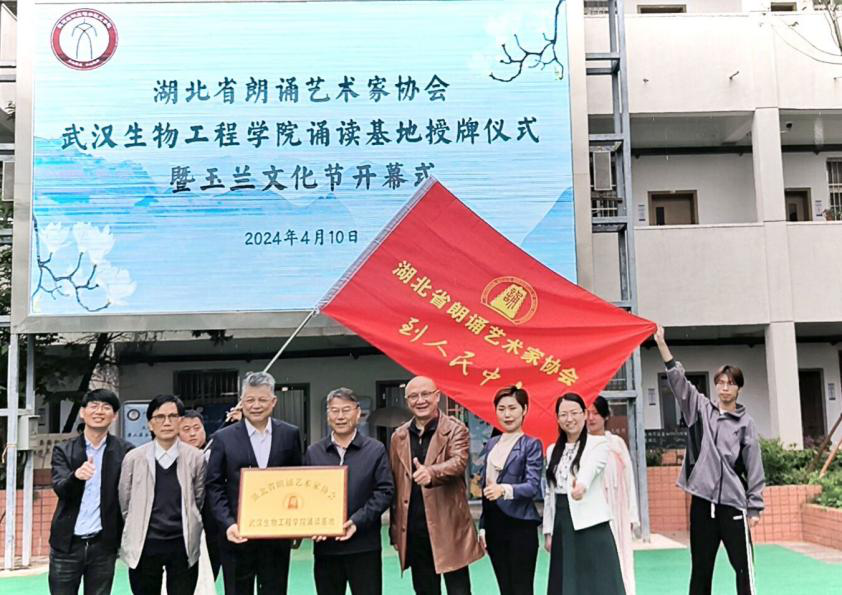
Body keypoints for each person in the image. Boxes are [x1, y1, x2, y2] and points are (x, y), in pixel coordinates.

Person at [653, 326, 765, 595]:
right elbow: (679, 382)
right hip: (702, 504)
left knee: (744, 569)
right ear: (715, 385)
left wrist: (754, 507)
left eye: (731, 383)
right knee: (701, 570)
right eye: (721, 382)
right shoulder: (700, 409)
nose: (725, 388)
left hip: (733, 505)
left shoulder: (745, 424)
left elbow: (754, 467)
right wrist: (661, 344)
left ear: (739, 389)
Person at [205, 371, 303, 595]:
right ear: (241, 402)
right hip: (237, 534)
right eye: (250, 400)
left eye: (262, 399)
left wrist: (296, 524)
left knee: (275, 589)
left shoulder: (289, 434)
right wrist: (228, 524)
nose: (256, 405)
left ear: (273, 401)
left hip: (276, 535)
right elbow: (214, 485)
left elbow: (297, 480)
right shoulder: (223, 438)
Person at [389, 376, 484, 595]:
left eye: (425, 394)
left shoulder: (455, 429)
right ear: (407, 401)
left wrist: (431, 473)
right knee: (424, 589)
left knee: (459, 590)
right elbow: (396, 484)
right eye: (413, 396)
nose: (420, 400)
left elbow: (458, 462)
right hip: (415, 529)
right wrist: (395, 531)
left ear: (437, 396)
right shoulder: (399, 436)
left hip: (449, 526)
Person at [304, 387, 394, 595]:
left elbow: (385, 491)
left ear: (358, 412)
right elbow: (308, 495)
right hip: (326, 548)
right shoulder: (314, 452)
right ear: (327, 415)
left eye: (346, 410)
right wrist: (312, 523)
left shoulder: (375, 449)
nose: (340, 416)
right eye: (334, 411)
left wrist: (356, 521)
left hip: (364, 545)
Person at [48, 389, 134, 595]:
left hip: (103, 545)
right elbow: (60, 488)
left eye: (106, 407)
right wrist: (76, 477)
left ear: (114, 416)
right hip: (67, 544)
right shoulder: (64, 450)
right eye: (94, 406)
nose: (99, 411)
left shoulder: (126, 451)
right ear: (82, 412)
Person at [118, 395, 206, 595]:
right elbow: (125, 501)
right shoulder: (134, 458)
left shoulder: (196, 458)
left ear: (180, 421)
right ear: (150, 424)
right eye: (159, 417)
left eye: (173, 416)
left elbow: (198, 498)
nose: (166, 422)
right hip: (145, 544)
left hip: (182, 544)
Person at [543, 394, 625, 595]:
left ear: (584, 414)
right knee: (566, 582)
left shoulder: (599, 444)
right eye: (563, 414)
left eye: (574, 413)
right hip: (562, 523)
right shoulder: (552, 450)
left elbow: (591, 469)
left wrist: (580, 487)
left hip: (591, 525)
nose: (569, 419)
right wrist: (548, 531)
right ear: (557, 418)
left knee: (598, 584)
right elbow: (549, 493)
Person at [478, 386, 542, 595]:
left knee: (522, 588)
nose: (507, 414)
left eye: (513, 408)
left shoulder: (531, 444)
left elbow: (532, 486)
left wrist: (504, 490)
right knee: (505, 588)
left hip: (520, 525)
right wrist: (483, 527)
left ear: (525, 410)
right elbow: (486, 488)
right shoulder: (492, 444)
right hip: (494, 524)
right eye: (501, 408)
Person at [587, 396, 640, 595]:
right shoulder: (581, 445)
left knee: (621, 555)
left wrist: (632, 515)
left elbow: (629, 480)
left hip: (617, 511)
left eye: (595, 413)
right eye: (587, 413)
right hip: (592, 512)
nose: (591, 418)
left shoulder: (616, 443)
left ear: (605, 416)